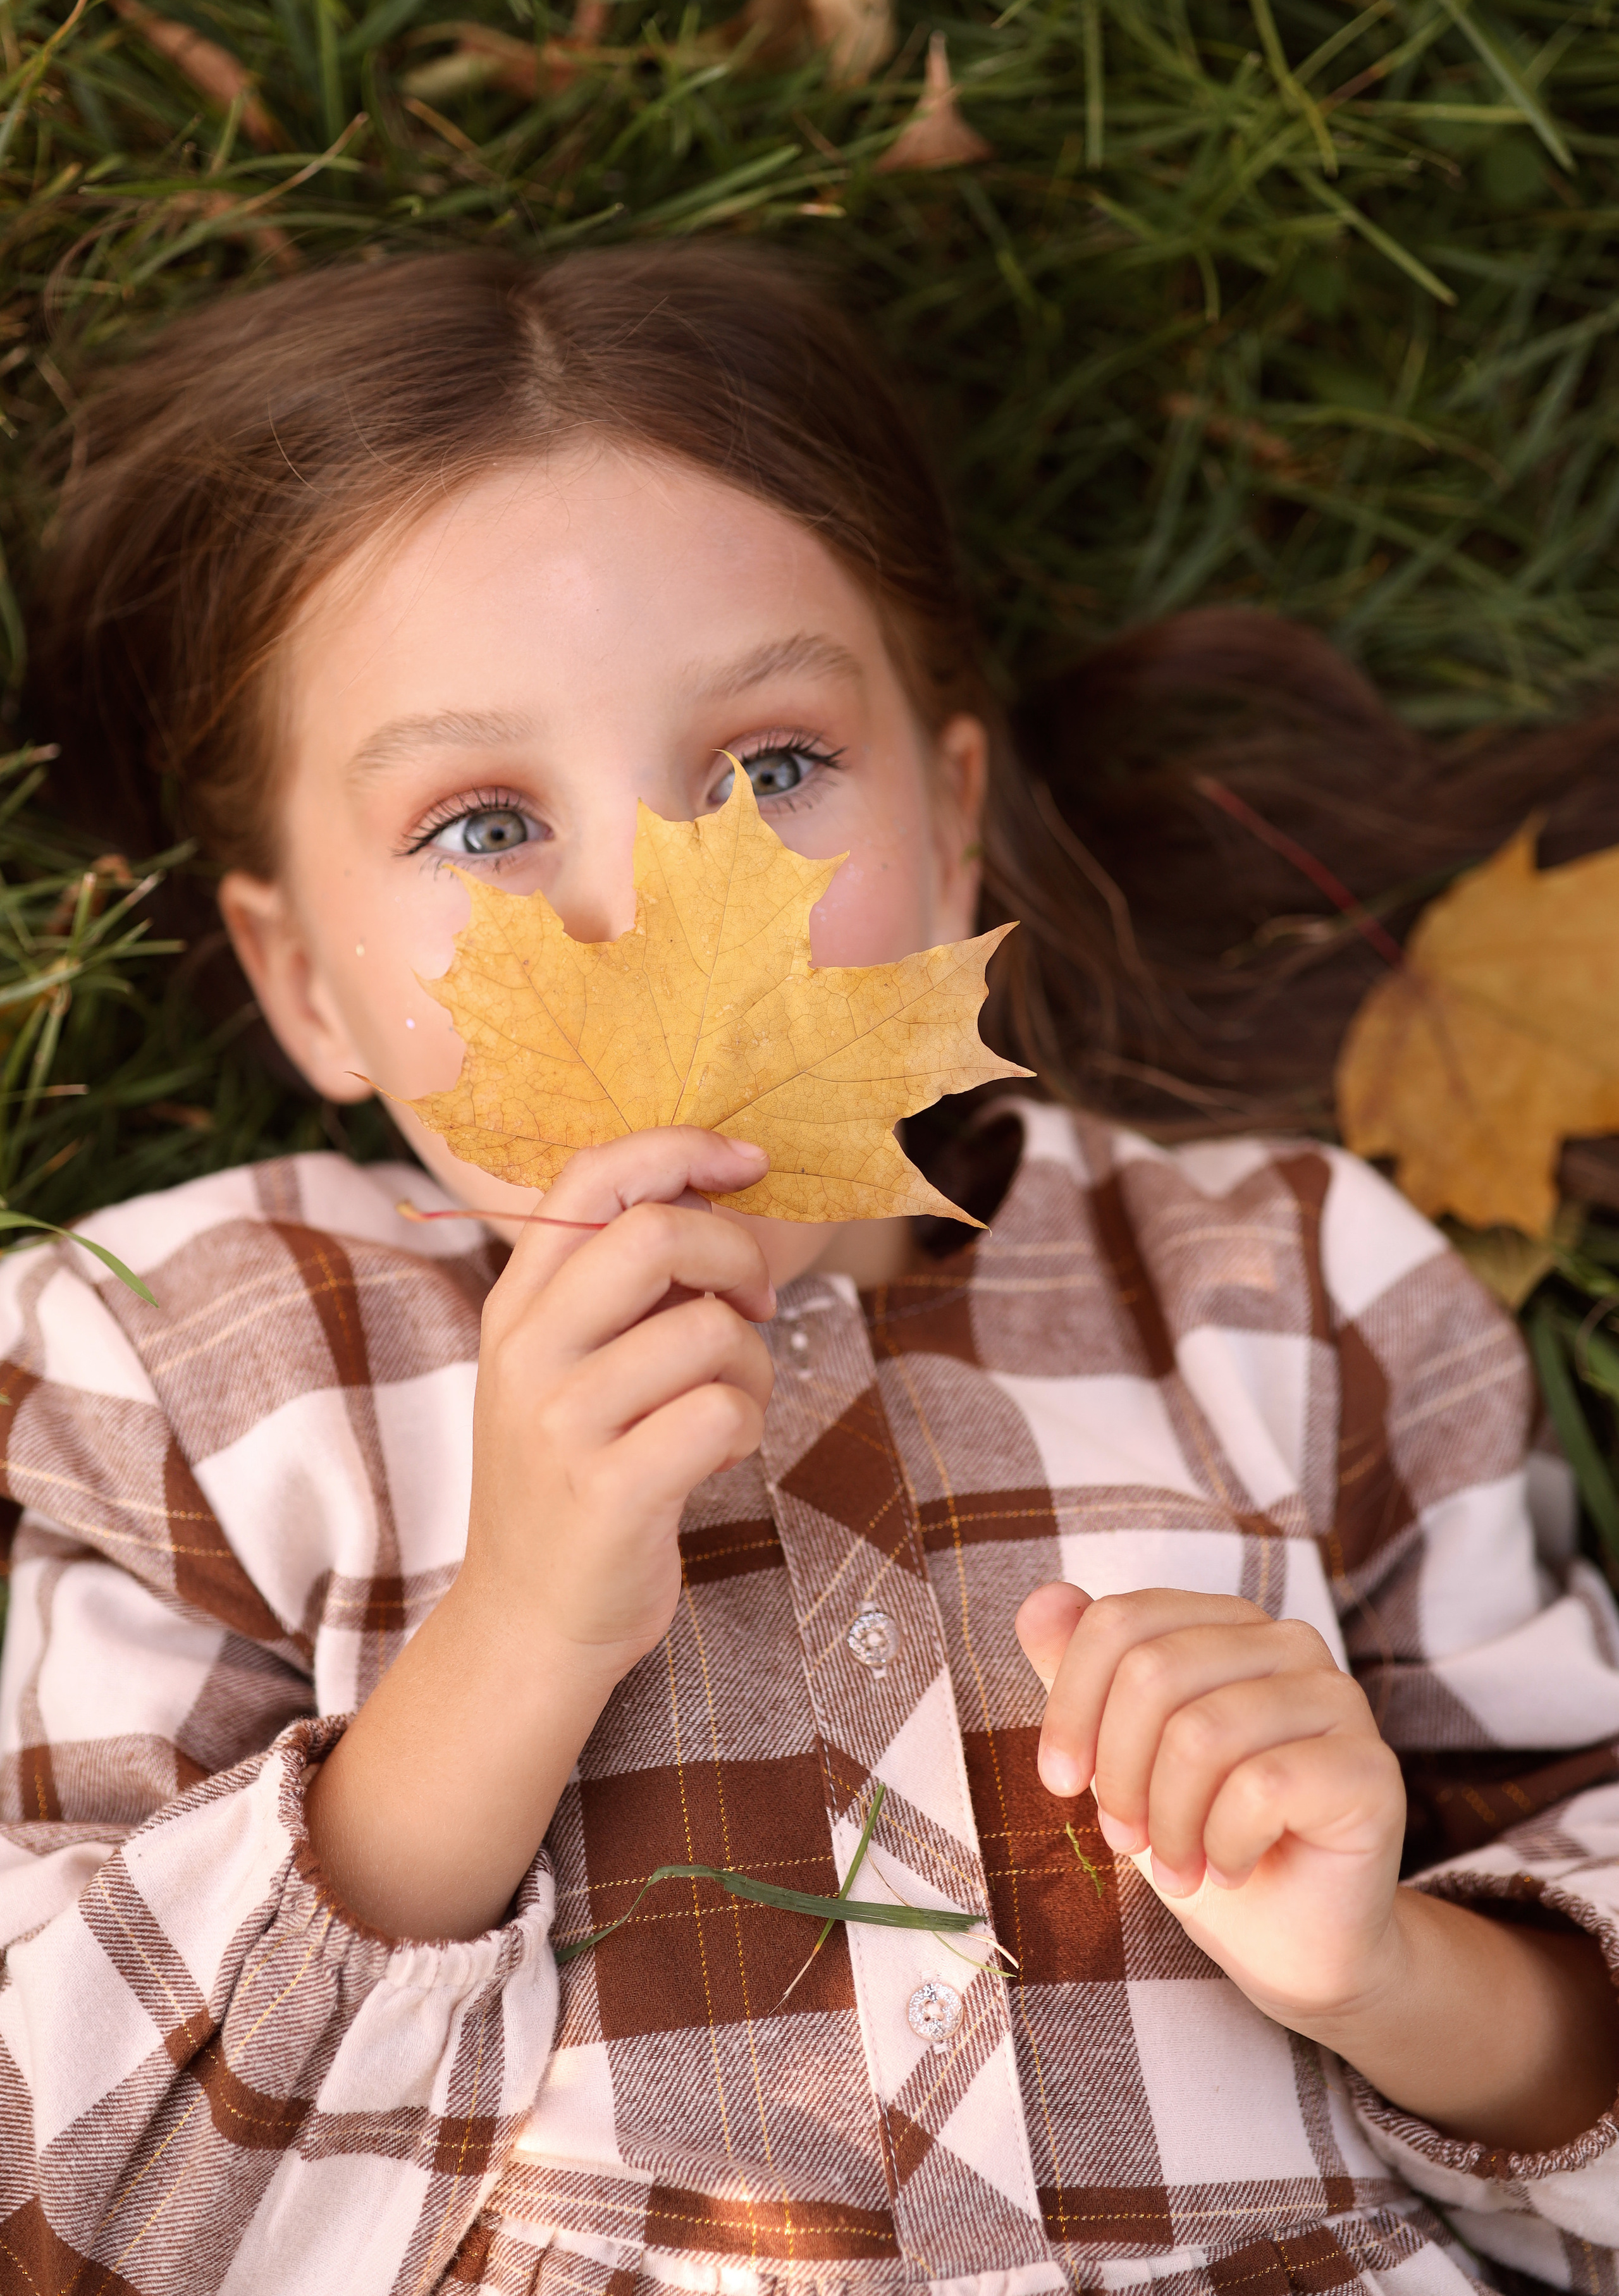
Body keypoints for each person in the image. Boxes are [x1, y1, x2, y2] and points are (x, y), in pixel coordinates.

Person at [2, 243, 1618, 2296]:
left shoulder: (1287, 1290)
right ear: (301, 976)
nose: (645, 911)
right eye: (482, 823)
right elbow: (71, 2193)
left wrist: (1382, 1965)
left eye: (771, 771)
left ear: (952, 827)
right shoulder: (189, 1362)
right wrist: (507, 1646)